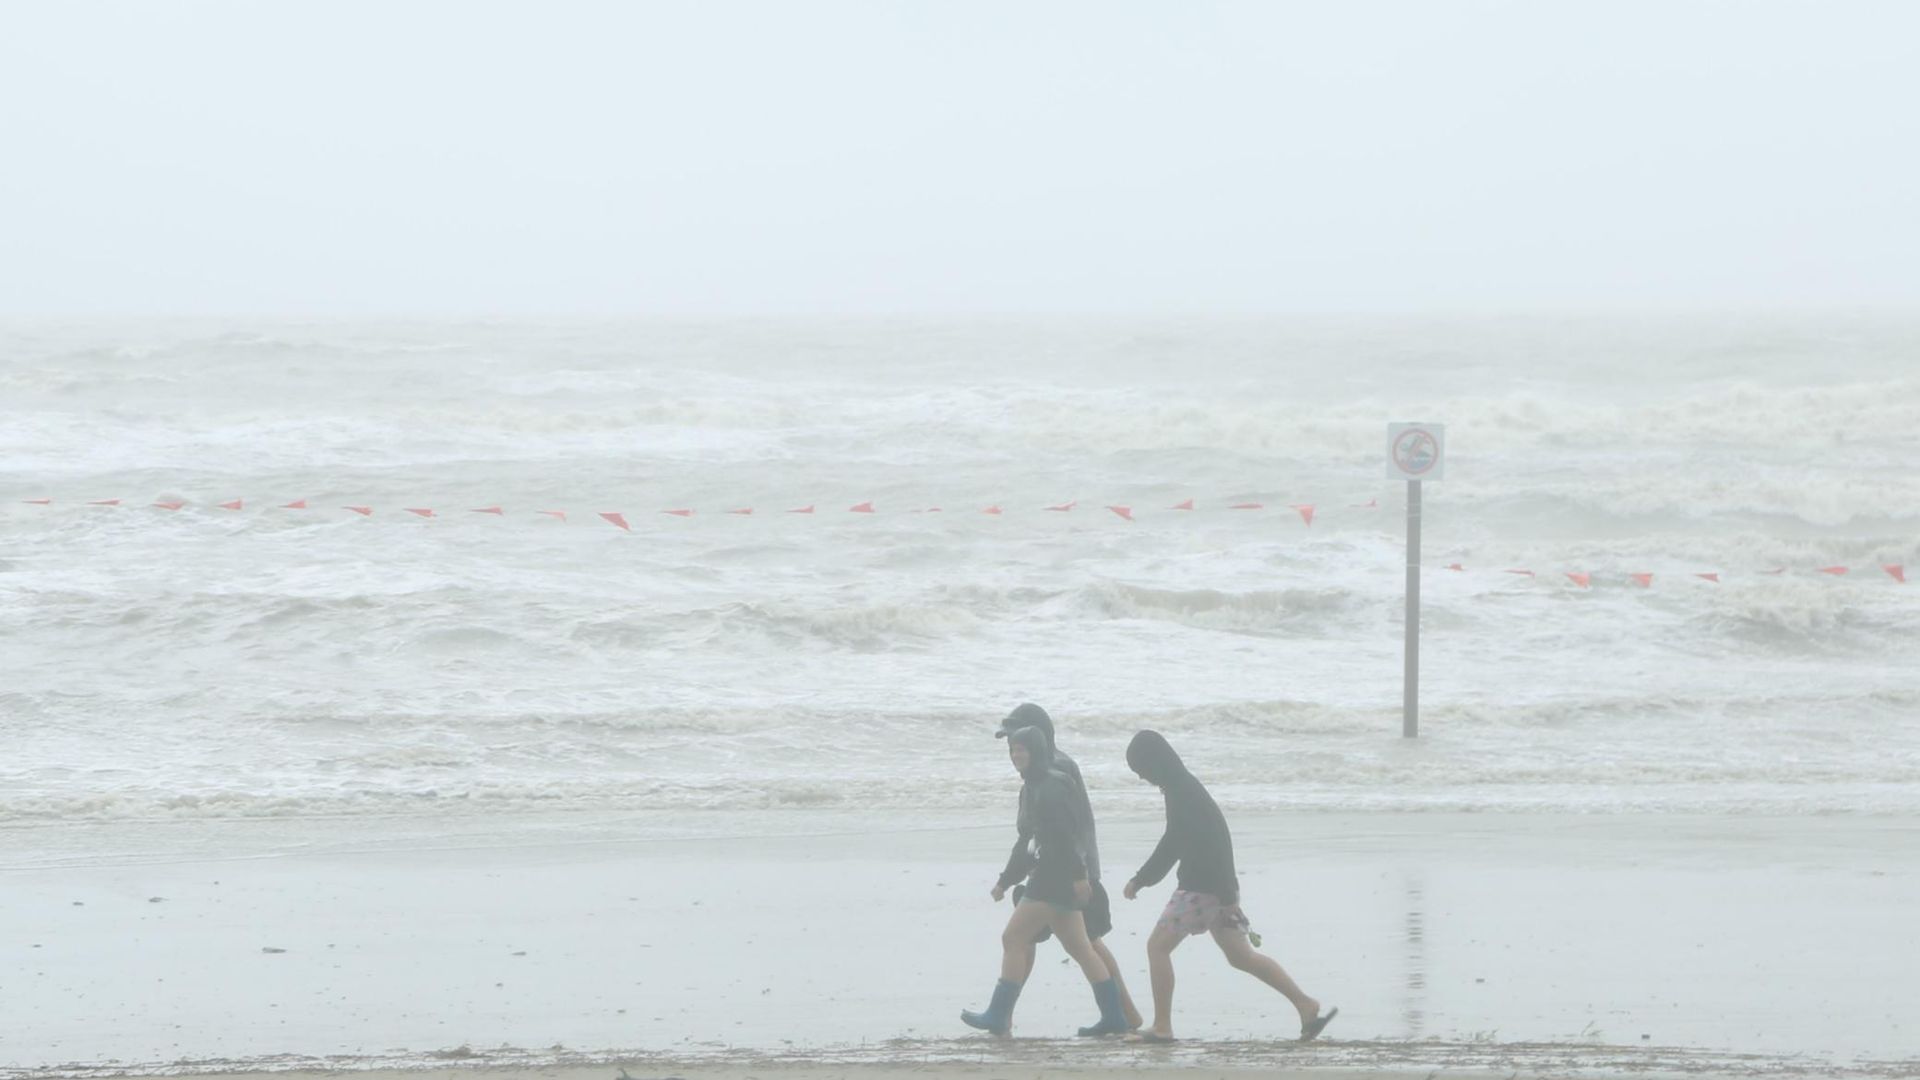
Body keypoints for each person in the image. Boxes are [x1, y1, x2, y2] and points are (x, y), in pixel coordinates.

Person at [1119, 729, 1337, 1043]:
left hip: (1201, 888)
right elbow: (1185, 839)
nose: (1142, 778)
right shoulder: (1182, 787)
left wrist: (1143, 879)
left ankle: (1162, 1026)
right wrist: (1227, 892)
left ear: (1154, 763)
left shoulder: (1183, 791)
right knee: (1241, 957)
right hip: (1216, 889)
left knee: (1157, 947)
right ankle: (1306, 1005)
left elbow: (1201, 842)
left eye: (1141, 770)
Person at [960, 724, 1130, 1037]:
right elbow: (1027, 839)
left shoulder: (1050, 787)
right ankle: (1114, 1017)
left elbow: (1066, 836)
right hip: (1058, 878)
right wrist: (1006, 880)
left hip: (1052, 878)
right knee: (1081, 949)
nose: (1015, 755)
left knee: (1012, 939)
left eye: (1021, 749)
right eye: (1012, 750)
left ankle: (998, 1015)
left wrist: (1080, 877)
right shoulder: (1033, 786)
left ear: (1036, 751)